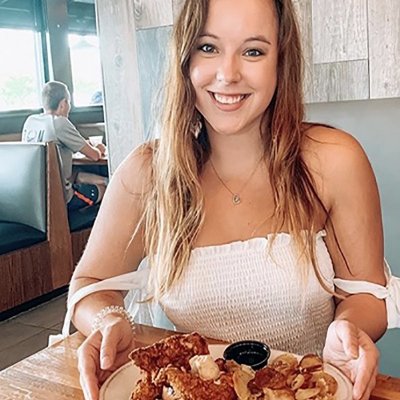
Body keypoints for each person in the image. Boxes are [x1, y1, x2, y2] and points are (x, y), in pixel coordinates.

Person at [67, 1, 398, 399]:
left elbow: (366, 294)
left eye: (253, 51)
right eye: (208, 47)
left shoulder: (333, 160)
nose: (228, 74)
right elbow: (90, 284)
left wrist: (349, 328)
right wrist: (108, 321)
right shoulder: (149, 173)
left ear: (281, 61)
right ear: (185, 58)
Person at [22, 81, 107, 211]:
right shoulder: (59, 123)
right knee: (105, 190)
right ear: (63, 104)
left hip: (37, 196)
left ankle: (107, 180)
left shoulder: (31, 121)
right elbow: (95, 156)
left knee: (77, 173)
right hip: (62, 197)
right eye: (69, 103)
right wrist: (100, 148)